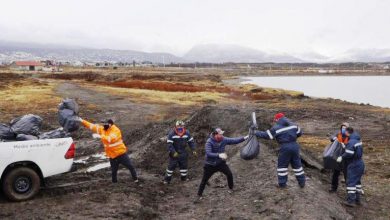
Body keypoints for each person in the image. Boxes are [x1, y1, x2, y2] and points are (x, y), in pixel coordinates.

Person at [78, 118, 138, 183]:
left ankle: (136, 180)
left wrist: (100, 137)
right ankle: (114, 183)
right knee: (113, 171)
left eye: (105, 124)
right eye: (103, 124)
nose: (103, 125)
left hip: (121, 154)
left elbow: (111, 138)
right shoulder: (103, 129)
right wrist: (81, 120)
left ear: (110, 124)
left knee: (130, 167)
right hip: (112, 155)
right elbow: (92, 126)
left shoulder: (116, 130)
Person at [254, 113, 305, 188]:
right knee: (297, 165)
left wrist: (255, 132)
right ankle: (302, 183)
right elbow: (299, 133)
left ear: (277, 119)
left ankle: (282, 184)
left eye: (275, 120)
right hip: (295, 146)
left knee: (282, 166)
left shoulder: (276, 128)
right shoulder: (293, 124)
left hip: (285, 147)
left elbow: (267, 136)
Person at [196, 128, 248, 200]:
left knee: (229, 174)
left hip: (220, 163)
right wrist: (219, 155)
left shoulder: (223, 139)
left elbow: (234, 140)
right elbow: (208, 153)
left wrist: (244, 138)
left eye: (222, 134)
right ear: (215, 134)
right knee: (204, 180)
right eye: (220, 134)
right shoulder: (209, 142)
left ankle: (231, 189)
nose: (222, 135)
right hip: (210, 165)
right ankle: (199, 195)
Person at [336, 127, 365, 207]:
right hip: (360, 163)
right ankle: (358, 200)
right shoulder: (357, 139)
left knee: (351, 181)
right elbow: (355, 150)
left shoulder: (351, 141)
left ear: (348, 132)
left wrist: (342, 157)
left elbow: (349, 153)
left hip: (354, 164)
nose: (344, 132)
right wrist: (345, 145)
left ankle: (350, 201)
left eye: (345, 131)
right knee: (357, 182)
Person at [329, 122, 350, 193]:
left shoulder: (350, 136)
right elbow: (331, 138)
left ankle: (349, 190)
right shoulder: (338, 134)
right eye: (342, 128)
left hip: (346, 158)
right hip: (338, 156)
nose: (343, 129)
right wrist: (334, 138)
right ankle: (333, 188)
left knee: (347, 175)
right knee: (335, 173)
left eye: (345, 128)